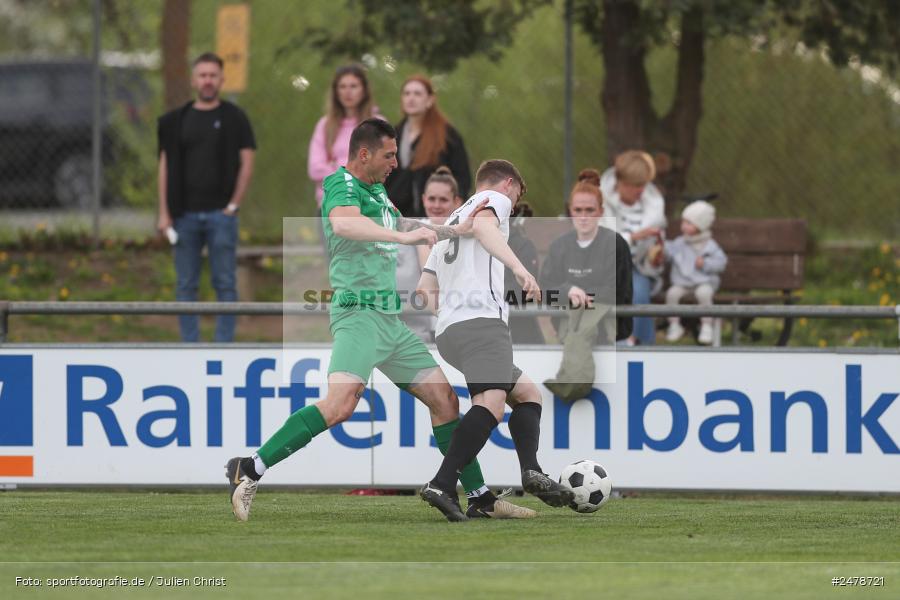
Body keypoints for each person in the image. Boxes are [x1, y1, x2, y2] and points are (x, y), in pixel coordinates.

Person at [226, 120, 534, 522]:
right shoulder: (342, 183)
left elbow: (397, 224)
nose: (395, 162)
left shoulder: (377, 192)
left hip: (389, 321)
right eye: (389, 155)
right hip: (358, 313)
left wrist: (445, 230)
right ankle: (249, 468)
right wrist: (409, 239)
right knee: (339, 406)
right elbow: (344, 224)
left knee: (445, 401)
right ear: (365, 153)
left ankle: (479, 497)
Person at [416, 159, 575, 522]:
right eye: (518, 194)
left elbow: (424, 290)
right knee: (492, 405)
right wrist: (519, 269)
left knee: (527, 393)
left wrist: (452, 313)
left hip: (450, 331)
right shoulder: (492, 200)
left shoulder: (452, 221)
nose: (516, 203)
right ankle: (442, 483)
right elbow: (488, 227)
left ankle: (530, 470)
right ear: (508, 183)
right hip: (482, 324)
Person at [157, 52, 256, 343]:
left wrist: (233, 205)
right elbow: (164, 165)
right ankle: (191, 345)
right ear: (193, 79)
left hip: (221, 216)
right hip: (184, 216)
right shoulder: (175, 121)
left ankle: (223, 345)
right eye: (202, 75)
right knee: (186, 284)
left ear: (222, 79)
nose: (208, 80)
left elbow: (247, 162)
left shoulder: (235, 118)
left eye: (213, 75)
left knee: (225, 282)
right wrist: (164, 212)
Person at [541, 169, 633, 400]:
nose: (584, 216)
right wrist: (568, 291)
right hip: (567, 331)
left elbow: (620, 292)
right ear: (570, 212)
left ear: (601, 211)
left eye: (590, 210)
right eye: (578, 210)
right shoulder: (559, 246)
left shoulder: (616, 244)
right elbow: (544, 289)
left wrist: (584, 296)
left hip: (610, 333)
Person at [600, 150, 665, 345]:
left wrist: (656, 257)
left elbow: (655, 248)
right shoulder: (601, 204)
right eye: (636, 185)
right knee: (621, 291)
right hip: (607, 268)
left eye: (643, 185)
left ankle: (641, 349)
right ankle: (625, 344)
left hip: (638, 268)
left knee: (639, 291)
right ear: (621, 182)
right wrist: (634, 237)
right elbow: (603, 244)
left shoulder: (653, 206)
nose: (640, 191)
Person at [385, 75, 471, 217]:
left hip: (435, 212)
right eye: (407, 93)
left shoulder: (447, 135)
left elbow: (462, 177)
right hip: (398, 214)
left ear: (430, 100)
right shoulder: (394, 134)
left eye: (417, 94)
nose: (411, 98)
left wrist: (457, 208)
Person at [395, 166, 463, 342]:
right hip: (423, 324)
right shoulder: (413, 229)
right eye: (432, 199)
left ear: (457, 202)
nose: (437, 205)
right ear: (423, 200)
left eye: (443, 200)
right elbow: (429, 273)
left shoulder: (466, 233)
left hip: (457, 321)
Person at [308, 64, 382, 210]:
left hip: (367, 206)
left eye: (353, 86)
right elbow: (315, 169)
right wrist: (356, 169)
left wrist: (335, 166)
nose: (348, 92)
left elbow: (379, 167)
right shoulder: (325, 125)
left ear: (364, 90)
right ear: (336, 91)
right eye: (342, 86)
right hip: (331, 204)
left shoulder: (377, 125)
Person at [655, 200, 728, 345]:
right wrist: (661, 250)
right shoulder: (680, 242)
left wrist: (706, 264)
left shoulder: (710, 245)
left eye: (689, 223)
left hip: (703, 282)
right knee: (672, 294)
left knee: (704, 294)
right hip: (683, 283)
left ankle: (707, 325)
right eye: (683, 222)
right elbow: (669, 252)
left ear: (701, 225)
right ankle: (674, 325)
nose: (684, 226)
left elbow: (721, 262)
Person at [504, 202, 543, 344]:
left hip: (520, 331)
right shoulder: (475, 243)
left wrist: (487, 295)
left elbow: (523, 292)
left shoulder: (523, 245)